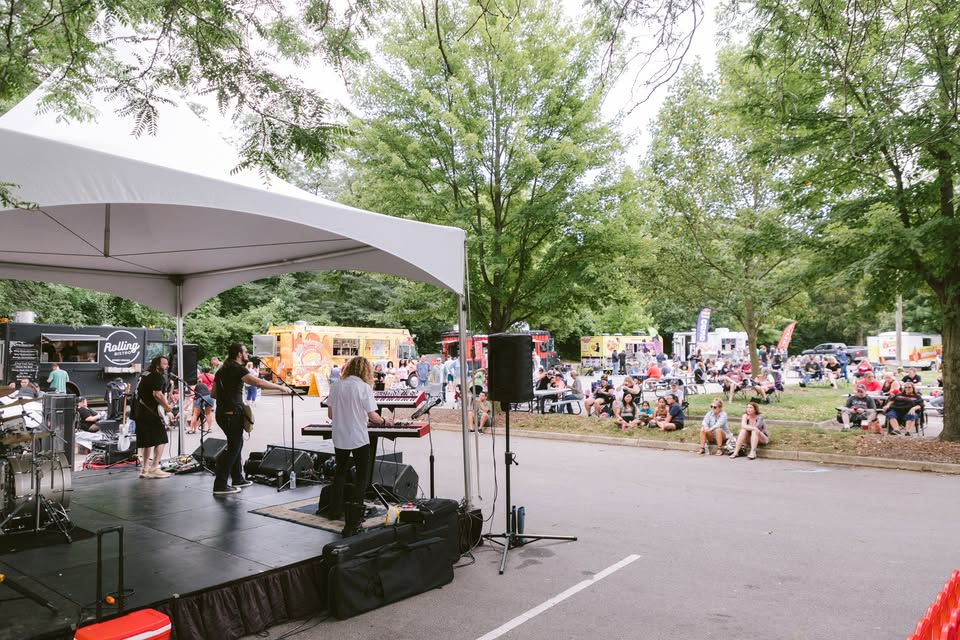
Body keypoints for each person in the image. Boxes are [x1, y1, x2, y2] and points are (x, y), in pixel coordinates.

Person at [326, 356, 392, 536]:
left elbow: (331, 415)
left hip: (340, 435)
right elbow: (373, 416)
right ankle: (355, 514)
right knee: (362, 476)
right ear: (365, 370)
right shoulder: (363, 387)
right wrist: (385, 421)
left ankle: (334, 511)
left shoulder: (337, 385)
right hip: (358, 437)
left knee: (340, 472)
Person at [211, 343, 288, 495]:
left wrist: (228, 397)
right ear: (239, 354)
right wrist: (280, 387)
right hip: (232, 413)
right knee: (234, 448)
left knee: (236, 445)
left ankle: (237, 478)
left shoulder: (222, 370)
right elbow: (258, 382)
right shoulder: (237, 369)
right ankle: (220, 484)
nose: (247, 354)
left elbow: (213, 393)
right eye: (245, 352)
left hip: (222, 413)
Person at [136, 355, 173, 479]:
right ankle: (154, 468)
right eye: (165, 364)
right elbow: (157, 394)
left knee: (147, 441)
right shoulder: (157, 376)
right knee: (161, 439)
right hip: (150, 413)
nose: (167, 366)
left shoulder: (144, 374)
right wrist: (167, 407)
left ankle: (145, 469)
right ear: (157, 365)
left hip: (140, 412)